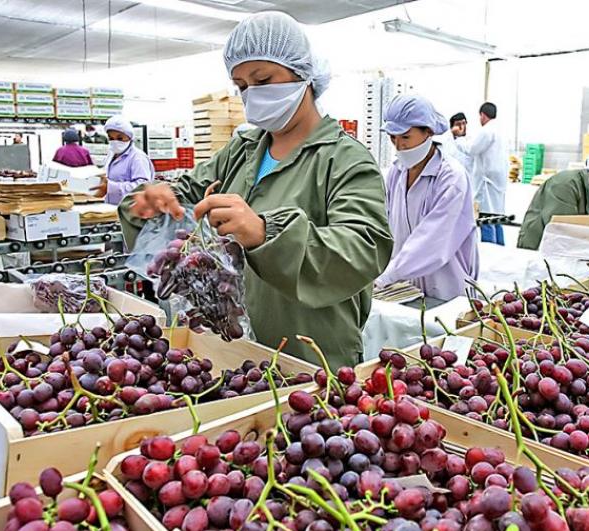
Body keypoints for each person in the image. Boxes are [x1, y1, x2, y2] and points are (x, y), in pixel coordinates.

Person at [118, 12, 392, 367]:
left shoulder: (344, 160)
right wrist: (151, 201)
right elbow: (181, 196)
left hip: (310, 358)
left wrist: (265, 233)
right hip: (231, 354)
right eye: (242, 85)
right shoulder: (242, 151)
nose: (252, 94)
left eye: (263, 79)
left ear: (302, 73)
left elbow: (363, 248)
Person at [374, 95, 479, 301]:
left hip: (446, 289)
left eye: (405, 137)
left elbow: (432, 238)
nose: (398, 146)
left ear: (428, 132)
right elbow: (384, 225)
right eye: (392, 138)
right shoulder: (396, 173)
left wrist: (389, 275)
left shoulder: (450, 177)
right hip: (405, 288)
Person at [464, 102, 507, 245]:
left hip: (487, 181)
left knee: (486, 217)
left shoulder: (486, 131)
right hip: (498, 181)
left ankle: (490, 253)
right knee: (497, 217)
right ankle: (501, 251)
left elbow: (472, 149)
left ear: (482, 115)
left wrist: (459, 139)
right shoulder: (500, 130)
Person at [94, 116, 154, 204]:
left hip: (130, 212)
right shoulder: (111, 154)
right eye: (111, 138)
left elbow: (143, 187)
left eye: (120, 138)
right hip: (112, 208)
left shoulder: (137, 157)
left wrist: (111, 187)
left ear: (129, 137)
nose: (115, 142)